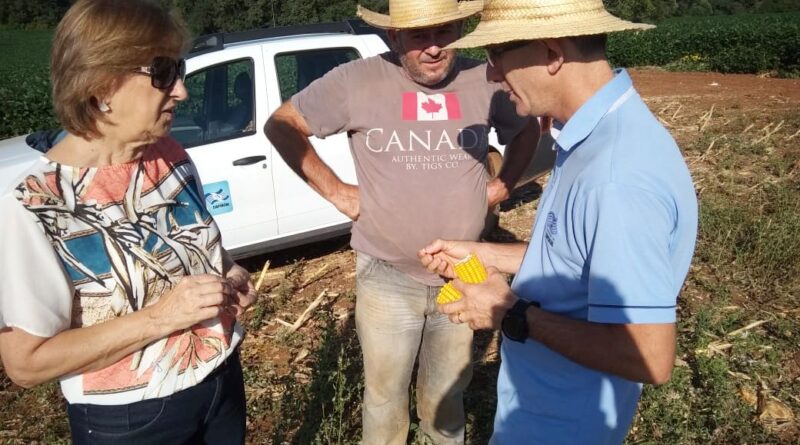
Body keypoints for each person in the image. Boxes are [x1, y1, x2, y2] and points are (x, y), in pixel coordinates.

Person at [419, 0, 699, 443]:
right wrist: (484, 253)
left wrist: (508, 311)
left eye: (497, 56)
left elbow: (648, 357)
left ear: (551, 53)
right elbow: (577, 257)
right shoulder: (596, 135)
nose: (492, 74)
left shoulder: (616, 177)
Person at [265, 0, 541, 442]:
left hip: (465, 270)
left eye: (445, 32)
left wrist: (505, 183)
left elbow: (527, 129)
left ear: (461, 30)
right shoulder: (357, 80)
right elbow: (282, 124)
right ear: (395, 37)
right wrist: (336, 192)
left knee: (447, 395)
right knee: (384, 397)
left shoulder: (484, 79)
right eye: (418, 36)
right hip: (386, 272)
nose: (433, 48)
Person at [0, 0, 256, 443]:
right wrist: (161, 317)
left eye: (179, 69)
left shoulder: (170, 156)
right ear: (101, 86)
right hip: (134, 421)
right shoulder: (34, 205)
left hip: (220, 381)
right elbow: (26, 364)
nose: (181, 91)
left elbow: (205, 252)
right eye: (162, 73)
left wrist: (230, 274)